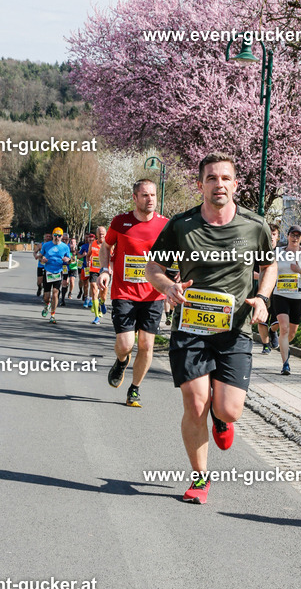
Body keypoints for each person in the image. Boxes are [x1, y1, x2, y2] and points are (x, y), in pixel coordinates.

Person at [145, 153, 277, 505]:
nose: (218, 184)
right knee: (195, 402)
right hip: (190, 327)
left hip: (234, 330)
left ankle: (222, 420)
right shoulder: (182, 225)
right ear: (200, 184)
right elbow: (153, 266)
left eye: (225, 178)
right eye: (211, 178)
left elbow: (270, 266)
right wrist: (166, 286)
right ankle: (200, 477)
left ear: (235, 184)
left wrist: (263, 297)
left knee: (229, 409)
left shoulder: (254, 225)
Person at [99, 180, 169, 407]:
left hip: (153, 294)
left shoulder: (165, 225)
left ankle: (134, 389)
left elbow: (174, 254)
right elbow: (106, 247)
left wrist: (173, 278)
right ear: (135, 198)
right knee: (126, 344)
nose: (150, 200)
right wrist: (104, 269)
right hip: (124, 292)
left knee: (147, 345)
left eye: (153, 195)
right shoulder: (120, 222)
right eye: (145, 195)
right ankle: (121, 362)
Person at [272, 224, 301, 375]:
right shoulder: (278, 252)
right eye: (293, 235)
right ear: (288, 235)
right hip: (280, 294)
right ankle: (285, 364)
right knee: (284, 328)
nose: (295, 238)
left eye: (298, 236)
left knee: (291, 333)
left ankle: (283, 345)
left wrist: (299, 270)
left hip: (298, 295)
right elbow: (269, 269)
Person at [255, 223, 281, 354]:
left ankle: (273, 331)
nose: (271, 237)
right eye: (269, 234)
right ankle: (265, 345)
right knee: (262, 319)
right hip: (262, 291)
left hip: (280, 291)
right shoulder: (257, 251)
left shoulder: (283, 252)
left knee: (279, 319)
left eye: (274, 234)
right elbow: (250, 272)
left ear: (278, 236)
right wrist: (265, 276)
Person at [38, 228, 71, 323]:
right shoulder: (46, 245)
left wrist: (67, 260)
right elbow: (40, 256)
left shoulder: (65, 247)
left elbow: (70, 260)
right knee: (46, 296)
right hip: (48, 271)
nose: (57, 238)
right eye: (55, 235)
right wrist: (42, 259)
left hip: (58, 272)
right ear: (52, 235)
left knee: (55, 293)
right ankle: (47, 305)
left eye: (59, 236)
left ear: (62, 237)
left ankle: (52, 315)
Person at [87, 227, 107, 324]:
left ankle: (102, 302)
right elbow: (88, 255)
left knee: (103, 293)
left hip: (105, 271)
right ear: (97, 234)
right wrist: (87, 261)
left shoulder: (108, 244)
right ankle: (96, 316)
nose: (101, 235)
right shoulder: (93, 244)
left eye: (103, 233)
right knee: (94, 289)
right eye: (99, 233)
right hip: (94, 270)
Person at [33, 232, 50, 296]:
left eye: (49, 236)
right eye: (47, 236)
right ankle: (39, 287)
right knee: (39, 282)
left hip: (48, 266)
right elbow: (35, 252)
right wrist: (35, 256)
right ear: (44, 237)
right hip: (41, 265)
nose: (48, 238)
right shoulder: (40, 245)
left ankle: (45, 294)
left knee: (46, 281)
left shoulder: (52, 245)